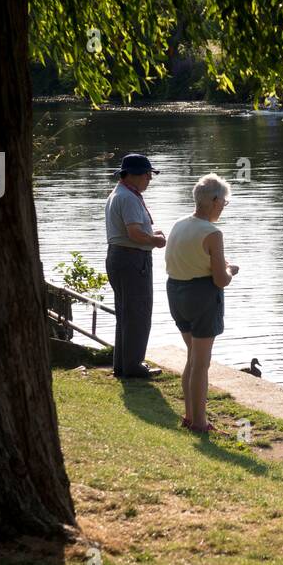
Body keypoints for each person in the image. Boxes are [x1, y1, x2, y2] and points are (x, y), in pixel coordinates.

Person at [165, 173, 239, 432]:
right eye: (224, 203)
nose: (223, 207)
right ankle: (199, 422)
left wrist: (221, 267)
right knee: (202, 363)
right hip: (201, 297)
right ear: (215, 200)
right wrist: (232, 270)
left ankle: (189, 415)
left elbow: (188, 259)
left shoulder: (179, 224)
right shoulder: (212, 233)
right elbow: (220, 280)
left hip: (175, 293)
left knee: (192, 357)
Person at [104, 153, 165, 379]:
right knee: (138, 313)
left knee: (126, 313)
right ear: (135, 175)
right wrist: (155, 240)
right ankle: (133, 366)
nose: (150, 179)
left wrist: (150, 234)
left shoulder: (121, 193)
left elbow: (133, 231)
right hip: (132, 260)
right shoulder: (128, 198)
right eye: (148, 175)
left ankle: (122, 365)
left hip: (120, 256)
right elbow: (134, 233)